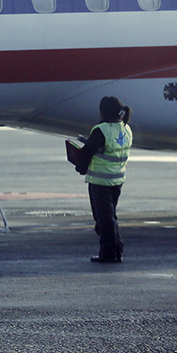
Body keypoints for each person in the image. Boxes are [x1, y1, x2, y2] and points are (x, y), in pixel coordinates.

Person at [75, 96, 133, 264]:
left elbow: (87, 152)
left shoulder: (101, 130)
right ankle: (116, 250)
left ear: (102, 111)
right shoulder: (126, 129)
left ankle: (108, 253)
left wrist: (80, 167)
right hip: (117, 179)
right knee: (110, 217)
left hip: (100, 181)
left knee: (104, 219)